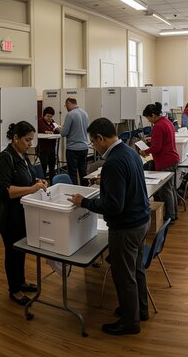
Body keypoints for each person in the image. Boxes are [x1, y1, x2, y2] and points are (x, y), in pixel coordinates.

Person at [68, 118, 150, 336]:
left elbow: (113, 205)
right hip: (141, 220)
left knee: (124, 276)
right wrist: (104, 182)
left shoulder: (113, 161)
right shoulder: (129, 151)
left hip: (126, 227)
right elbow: (127, 181)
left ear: (101, 139)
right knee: (136, 270)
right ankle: (139, 309)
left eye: (94, 142)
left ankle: (129, 322)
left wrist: (83, 202)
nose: (94, 147)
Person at [0, 121, 47, 306]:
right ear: (15, 138)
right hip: (10, 215)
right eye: (27, 140)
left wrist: (37, 181)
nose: (30, 144)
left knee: (21, 250)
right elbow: (4, 190)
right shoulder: (5, 157)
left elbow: (26, 178)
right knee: (12, 252)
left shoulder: (22, 156)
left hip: (23, 213)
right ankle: (14, 289)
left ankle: (21, 281)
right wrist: (32, 188)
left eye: (31, 140)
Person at [142, 102, 180, 223]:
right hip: (172, 158)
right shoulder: (167, 121)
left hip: (165, 161)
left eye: (148, 118)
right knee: (171, 188)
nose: (148, 121)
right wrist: (152, 138)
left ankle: (170, 216)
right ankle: (174, 213)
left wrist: (145, 151)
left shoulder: (158, 126)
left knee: (165, 190)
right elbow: (165, 139)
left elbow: (157, 148)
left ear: (153, 115)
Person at [58, 97, 89, 186]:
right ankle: (85, 189)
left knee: (72, 172)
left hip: (73, 149)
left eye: (66, 105)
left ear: (69, 103)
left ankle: (75, 191)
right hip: (84, 147)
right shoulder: (84, 113)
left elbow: (64, 133)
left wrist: (58, 129)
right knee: (83, 171)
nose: (66, 107)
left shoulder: (70, 115)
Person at [37, 106, 59, 182]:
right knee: (44, 167)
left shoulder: (53, 122)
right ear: (44, 115)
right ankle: (43, 183)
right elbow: (44, 130)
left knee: (52, 167)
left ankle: (53, 182)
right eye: (48, 116)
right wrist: (50, 131)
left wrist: (54, 130)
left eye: (51, 116)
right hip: (44, 148)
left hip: (52, 148)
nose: (49, 118)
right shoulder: (40, 122)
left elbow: (58, 130)